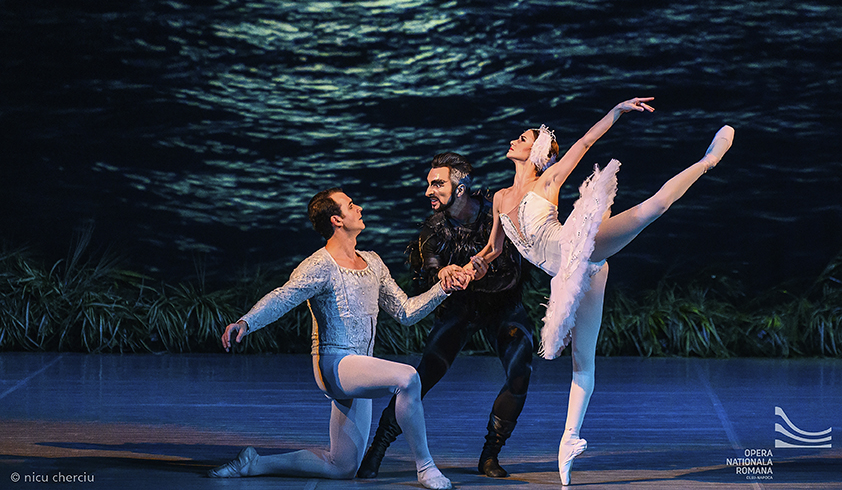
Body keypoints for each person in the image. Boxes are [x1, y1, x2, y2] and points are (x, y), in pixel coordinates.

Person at [472, 97, 734, 486]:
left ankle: (708, 161)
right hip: (570, 277)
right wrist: (471, 266)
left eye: (523, 138)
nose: (515, 140)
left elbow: (585, 144)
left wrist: (615, 112)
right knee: (582, 362)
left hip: (579, 247)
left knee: (652, 208)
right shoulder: (498, 199)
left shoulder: (549, 179)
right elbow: (493, 250)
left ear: (537, 151)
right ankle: (569, 440)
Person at [208, 187, 476, 490]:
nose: (359, 207)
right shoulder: (320, 265)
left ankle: (254, 463)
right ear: (337, 219)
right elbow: (283, 297)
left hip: (360, 368)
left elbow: (405, 312)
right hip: (335, 365)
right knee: (408, 378)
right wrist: (248, 321)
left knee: (341, 466)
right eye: (351, 205)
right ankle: (425, 468)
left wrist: (444, 288)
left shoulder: (373, 262)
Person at [357, 152, 532, 480]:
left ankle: (490, 454)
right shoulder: (433, 229)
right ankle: (377, 449)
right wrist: (445, 274)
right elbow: (431, 270)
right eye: (429, 184)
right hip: (459, 308)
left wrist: (484, 272)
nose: (428, 191)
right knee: (419, 379)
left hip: (502, 303)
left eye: (437, 183)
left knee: (521, 370)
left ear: (461, 188)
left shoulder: (496, 208)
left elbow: (515, 263)